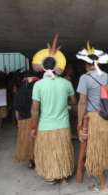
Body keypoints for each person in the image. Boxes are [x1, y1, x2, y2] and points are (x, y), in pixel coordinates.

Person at [30, 34, 76, 184]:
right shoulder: (66, 83)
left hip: (45, 126)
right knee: (62, 151)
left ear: (42, 66)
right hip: (63, 125)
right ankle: (63, 175)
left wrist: (33, 127)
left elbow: (35, 110)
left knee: (49, 152)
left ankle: (50, 175)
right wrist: (68, 108)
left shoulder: (38, 85)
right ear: (57, 66)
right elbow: (74, 103)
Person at [75, 42, 108, 192]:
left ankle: (102, 186)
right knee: (103, 147)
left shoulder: (85, 78)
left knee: (95, 150)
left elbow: (82, 102)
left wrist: (79, 122)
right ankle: (102, 180)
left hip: (93, 119)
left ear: (87, 64)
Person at [13, 73, 39, 169]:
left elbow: (16, 111)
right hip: (34, 120)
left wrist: (18, 123)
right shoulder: (36, 93)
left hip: (23, 120)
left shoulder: (18, 94)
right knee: (35, 141)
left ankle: (31, 161)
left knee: (27, 142)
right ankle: (37, 159)